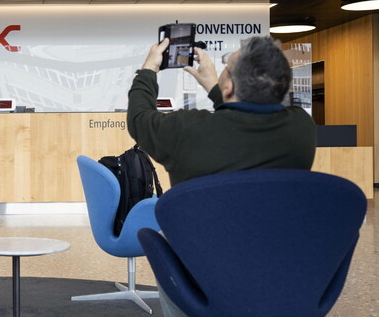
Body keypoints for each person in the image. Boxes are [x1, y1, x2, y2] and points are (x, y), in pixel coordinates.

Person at [127, 35, 316, 317]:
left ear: (228, 85)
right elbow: (243, 119)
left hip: (200, 273)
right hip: (278, 265)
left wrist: (149, 69)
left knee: (166, 236)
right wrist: (217, 87)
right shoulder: (301, 129)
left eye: (226, 70)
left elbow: (139, 118)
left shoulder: (185, 130)